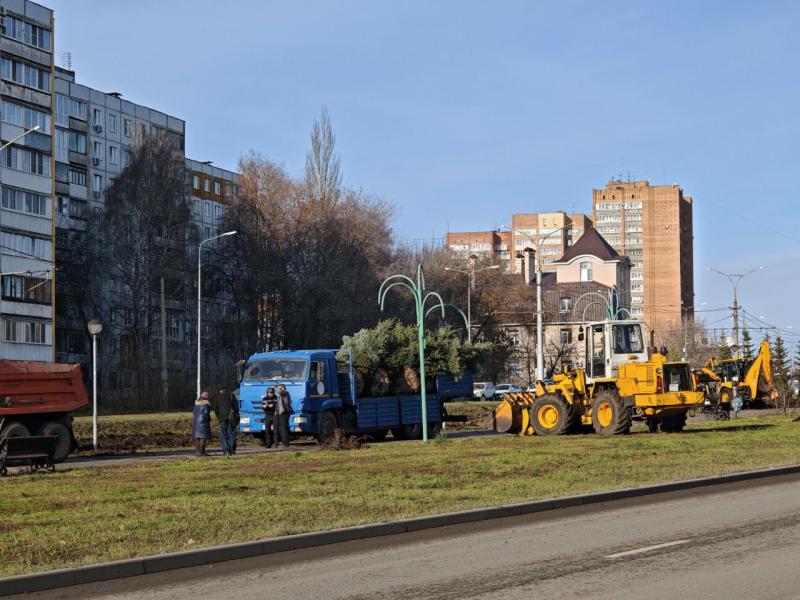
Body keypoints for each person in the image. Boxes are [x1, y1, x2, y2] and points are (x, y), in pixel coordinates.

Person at [215, 386, 239, 457]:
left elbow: (215, 409)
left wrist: (219, 417)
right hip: (232, 418)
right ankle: (232, 451)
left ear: (221, 391)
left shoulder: (218, 397)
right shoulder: (232, 395)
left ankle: (226, 451)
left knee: (223, 435)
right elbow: (237, 408)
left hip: (222, 419)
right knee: (232, 434)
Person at [192, 391, 212, 456]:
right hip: (203, 422)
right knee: (203, 437)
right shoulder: (206, 402)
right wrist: (208, 419)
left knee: (197, 437)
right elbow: (206, 412)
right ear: (205, 396)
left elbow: (194, 412)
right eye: (207, 395)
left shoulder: (196, 401)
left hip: (196, 421)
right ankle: (202, 452)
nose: (208, 397)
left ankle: (197, 452)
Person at [275, 384, 292, 449]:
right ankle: (282, 442)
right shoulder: (281, 395)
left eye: (280, 388)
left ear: (283, 388)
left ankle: (285, 444)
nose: (278, 389)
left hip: (284, 413)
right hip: (280, 413)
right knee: (281, 429)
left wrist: (275, 387)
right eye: (278, 388)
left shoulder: (285, 393)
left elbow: (279, 392)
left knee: (283, 429)